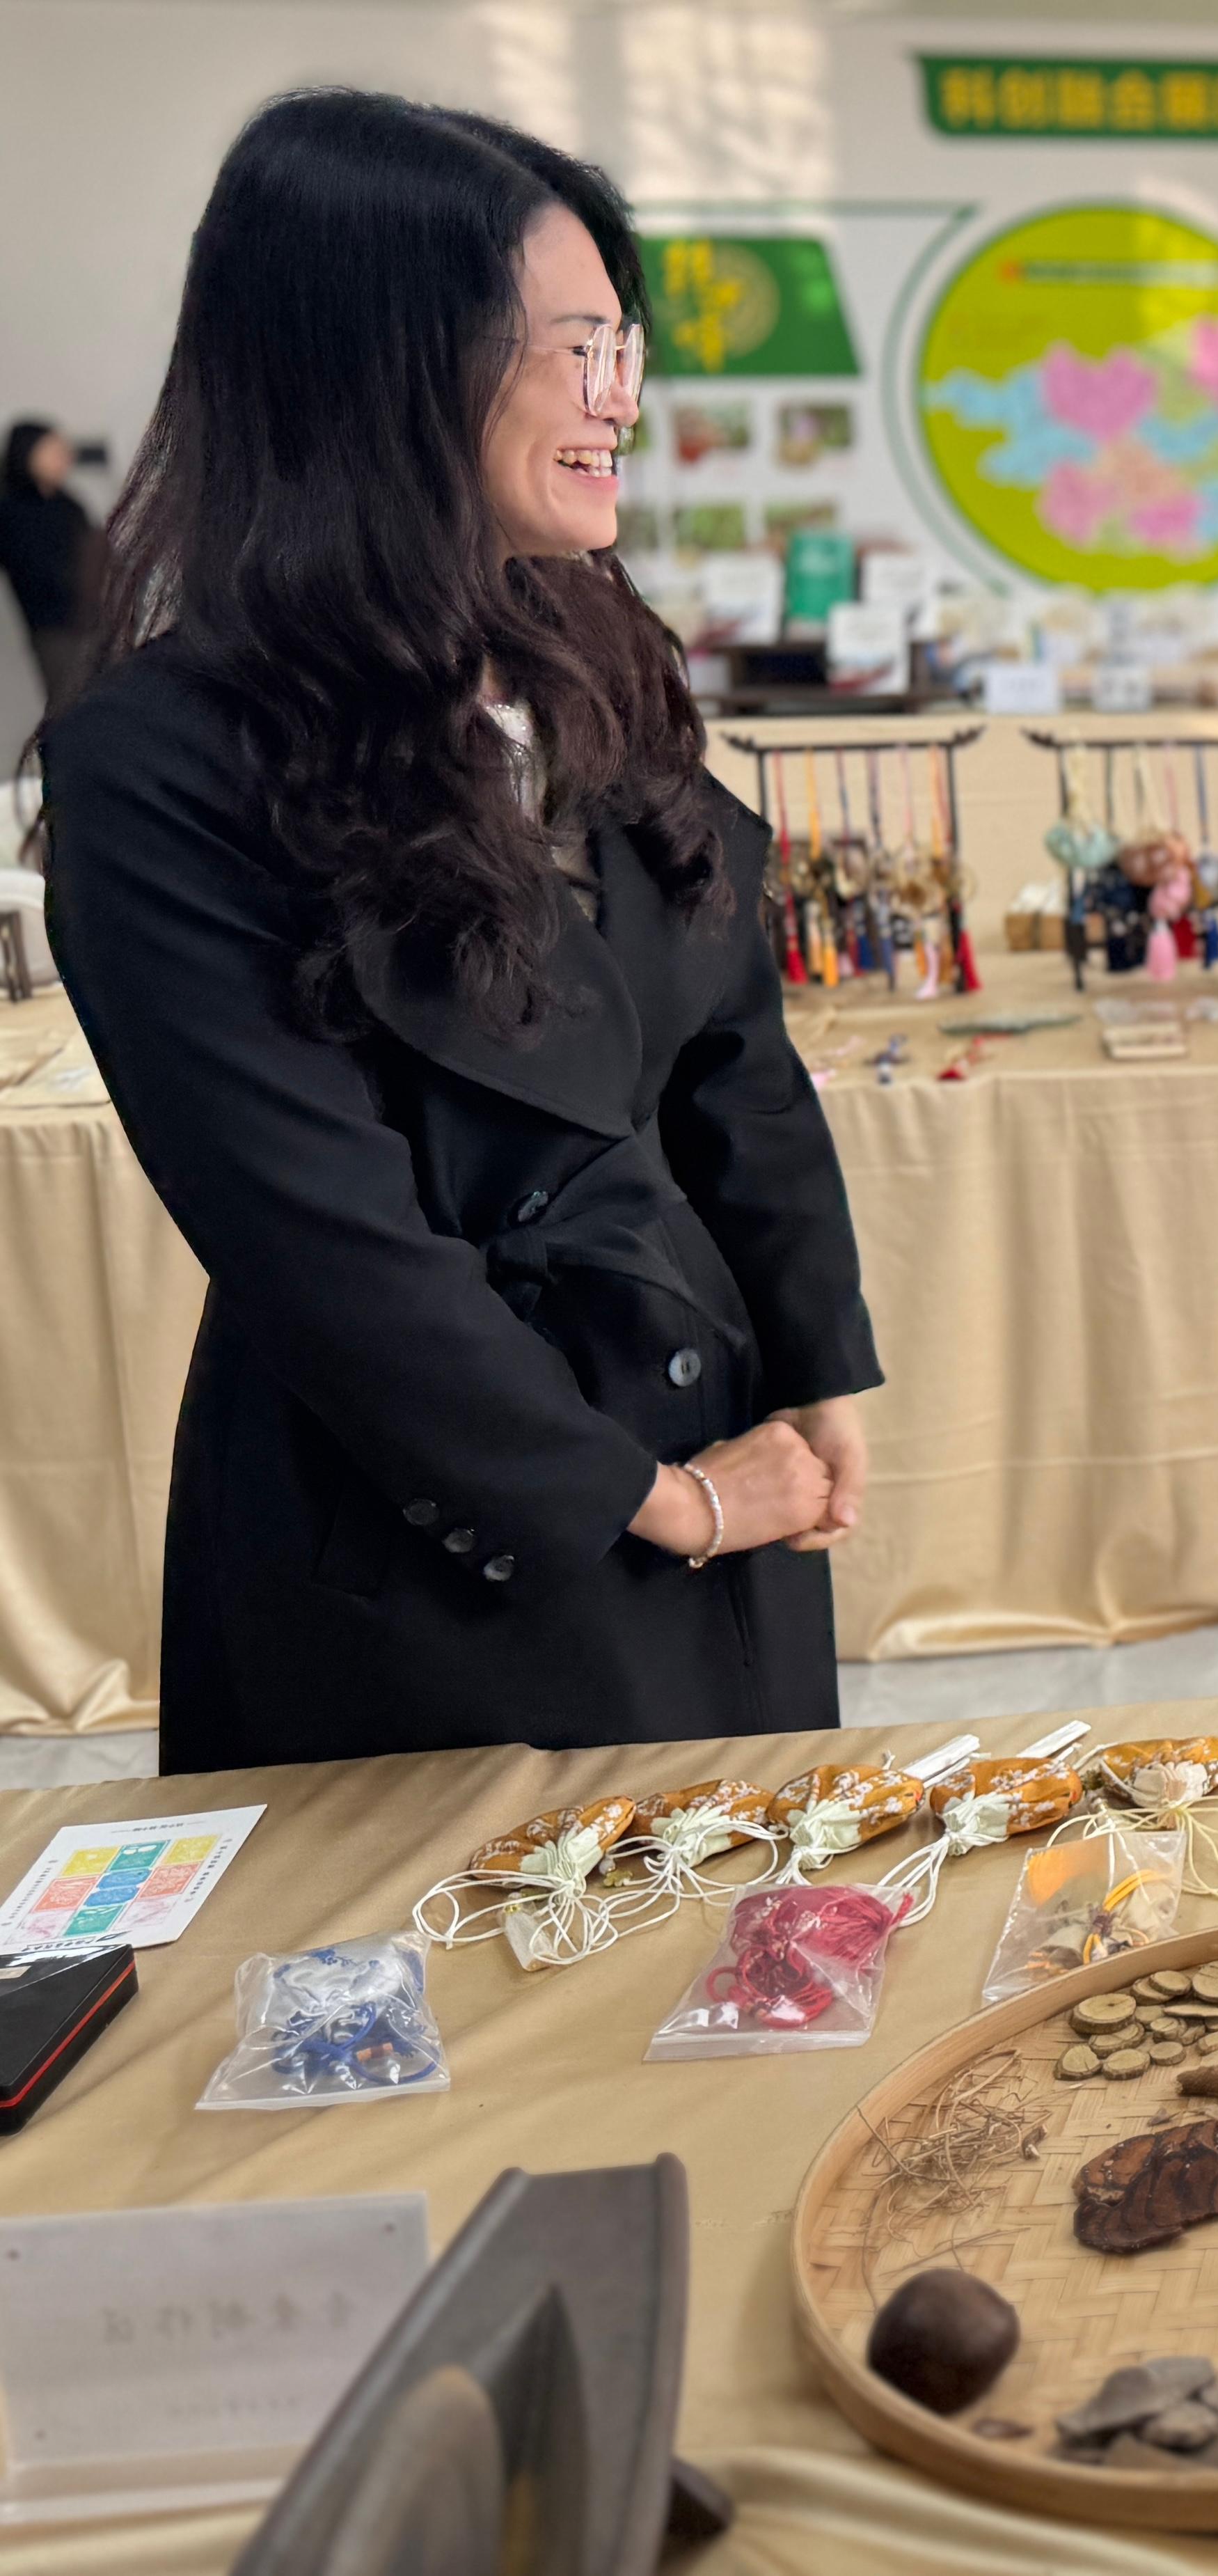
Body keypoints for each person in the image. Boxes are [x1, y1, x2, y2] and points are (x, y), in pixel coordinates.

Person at [40, 91, 879, 1770]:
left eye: (622, 342)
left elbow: (728, 1050)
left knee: (738, 1962)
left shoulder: (596, 654)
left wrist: (815, 1359)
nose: (618, 395)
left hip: (713, 1450)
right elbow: (321, 1243)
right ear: (387, 363)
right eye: (575, 345)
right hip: (444, 1526)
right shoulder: (159, 759)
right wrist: (647, 1498)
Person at [1, 419, 101, 709]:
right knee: (71, 706)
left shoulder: (70, 506)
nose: (64, 457)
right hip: (54, 628)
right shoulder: (11, 512)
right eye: (53, 450)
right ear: (27, 453)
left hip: (95, 618)